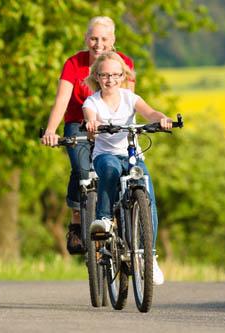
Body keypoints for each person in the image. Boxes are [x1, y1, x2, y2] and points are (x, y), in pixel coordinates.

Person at [40, 16, 135, 255]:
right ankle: (76, 219)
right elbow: (62, 100)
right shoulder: (74, 63)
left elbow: (128, 101)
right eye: (93, 38)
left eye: (104, 38)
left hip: (112, 124)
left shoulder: (124, 63)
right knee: (82, 169)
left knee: (121, 168)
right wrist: (51, 130)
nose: (98, 43)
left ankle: (118, 213)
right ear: (86, 39)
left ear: (113, 40)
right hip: (79, 124)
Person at [82, 52, 172, 286]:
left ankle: (148, 257)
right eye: (104, 75)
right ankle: (103, 219)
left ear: (123, 76)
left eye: (115, 74)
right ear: (97, 77)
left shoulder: (130, 98)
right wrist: (93, 125)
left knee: (146, 192)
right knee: (110, 170)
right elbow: (90, 118)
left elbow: (150, 112)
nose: (110, 79)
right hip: (106, 155)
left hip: (132, 154)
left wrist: (162, 119)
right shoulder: (92, 102)